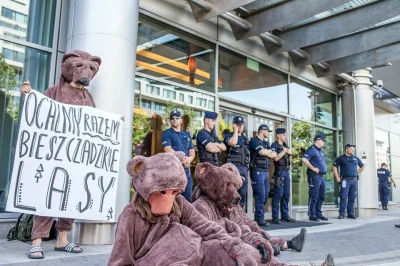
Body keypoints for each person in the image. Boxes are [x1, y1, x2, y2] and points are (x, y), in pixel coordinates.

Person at [21, 50, 106, 259]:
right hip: (54, 153)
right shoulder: (53, 91)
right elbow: (37, 112)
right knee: (47, 197)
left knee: (72, 196)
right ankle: (37, 240)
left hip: (77, 156)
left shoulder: (88, 97)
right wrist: (28, 96)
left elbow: (94, 123)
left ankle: (63, 240)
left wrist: (112, 123)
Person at [108, 152, 259, 266]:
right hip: (156, 261)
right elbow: (119, 260)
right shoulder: (131, 216)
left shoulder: (179, 203)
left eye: (176, 192)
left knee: (220, 249)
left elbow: (205, 226)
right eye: (164, 191)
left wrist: (232, 246)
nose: (170, 197)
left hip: (193, 255)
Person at [191, 162, 335, 266]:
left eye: (235, 187)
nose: (235, 194)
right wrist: (240, 242)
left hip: (238, 250)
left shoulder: (229, 206)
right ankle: (282, 245)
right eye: (229, 186)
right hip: (224, 255)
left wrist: (257, 240)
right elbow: (207, 239)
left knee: (268, 258)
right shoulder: (201, 206)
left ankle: (280, 247)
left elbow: (243, 226)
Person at [161, 110, 195, 202]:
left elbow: (192, 150)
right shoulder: (167, 133)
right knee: (174, 201)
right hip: (174, 170)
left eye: (177, 117)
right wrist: (182, 159)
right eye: (172, 118)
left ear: (181, 120)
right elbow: (168, 150)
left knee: (188, 199)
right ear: (170, 121)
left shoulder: (187, 134)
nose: (174, 119)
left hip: (186, 171)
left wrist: (190, 159)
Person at [249, 124, 277, 226]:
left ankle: (259, 216)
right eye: (267, 132)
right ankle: (259, 219)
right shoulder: (254, 141)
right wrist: (266, 152)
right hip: (257, 171)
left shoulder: (266, 143)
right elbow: (261, 151)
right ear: (262, 131)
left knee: (265, 195)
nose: (268, 134)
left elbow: (274, 154)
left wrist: (267, 152)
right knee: (260, 195)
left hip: (265, 171)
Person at [224, 116, 250, 208]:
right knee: (232, 194)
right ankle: (231, 216)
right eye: (238, 125)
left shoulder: (245, 139)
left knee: (242, 194)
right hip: (234, 168)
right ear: (234, 125)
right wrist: (235, 131)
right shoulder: (228, 136)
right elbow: (233, 143)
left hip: (244, 168)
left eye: (242, 125)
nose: (240, 127)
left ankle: (239, 216)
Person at [271, 128, 296, 224]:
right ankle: (275, 217)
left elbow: (290, 161)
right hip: (279, 171)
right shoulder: (274, 145)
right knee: (278, 195)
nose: (285, 136)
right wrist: (285, 151)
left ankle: (285, 215)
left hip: (286, 171)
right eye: (284, 135)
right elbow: (276, 158)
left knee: (286, 195)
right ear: (278, 135)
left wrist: (290, 154)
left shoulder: (286, 146)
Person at [333, 144, 365, 219]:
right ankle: (342, 213)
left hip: (354, 180)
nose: (352, 150)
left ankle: (350, 213)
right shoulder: (341, 158)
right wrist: (337, 177)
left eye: (353, 149)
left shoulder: (356, 158)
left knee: (352, 197)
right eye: (351, 149)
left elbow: (362, 166)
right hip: (345, 180)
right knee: (343, 196)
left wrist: (358, 173)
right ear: (346, 149)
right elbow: (334, 166)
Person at [302, 135, 329, 222]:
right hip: (314, 176)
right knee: (314, 195)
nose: (324, 142)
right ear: (318, 140)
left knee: (321, 196)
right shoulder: (311, 149)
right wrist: (313, 168)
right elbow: (304, 159)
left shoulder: (320, 151)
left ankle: (318, 213)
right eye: (323, 141)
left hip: (321, 177)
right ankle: (312, 214)